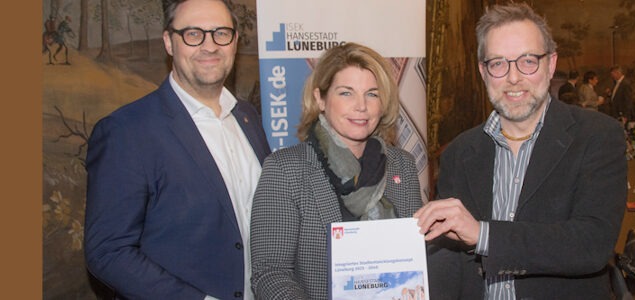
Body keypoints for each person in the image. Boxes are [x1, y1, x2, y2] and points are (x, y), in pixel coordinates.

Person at [417, 3, 627, 299]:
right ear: (483, 71)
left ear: (551, 64)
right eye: (499, 63)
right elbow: (453, 259)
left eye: (528, 61)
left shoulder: (597, 136)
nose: (513, 77)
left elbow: (592, 243)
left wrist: (483, 235)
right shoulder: (460, 152)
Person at [84, 0, 271, 299]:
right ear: (169, 42)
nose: (209, 46)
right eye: (193, 34)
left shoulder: (248, 118)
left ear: (235, 41)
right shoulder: (127, 131)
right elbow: (108, 251)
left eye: (220, 33)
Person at [250, 42, 423, 299]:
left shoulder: (403, 165)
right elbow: (270, 273)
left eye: (372, 94)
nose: (361, 106)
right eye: (346, 93)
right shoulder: (285, 170)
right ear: (320, 98)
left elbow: (415, 257)